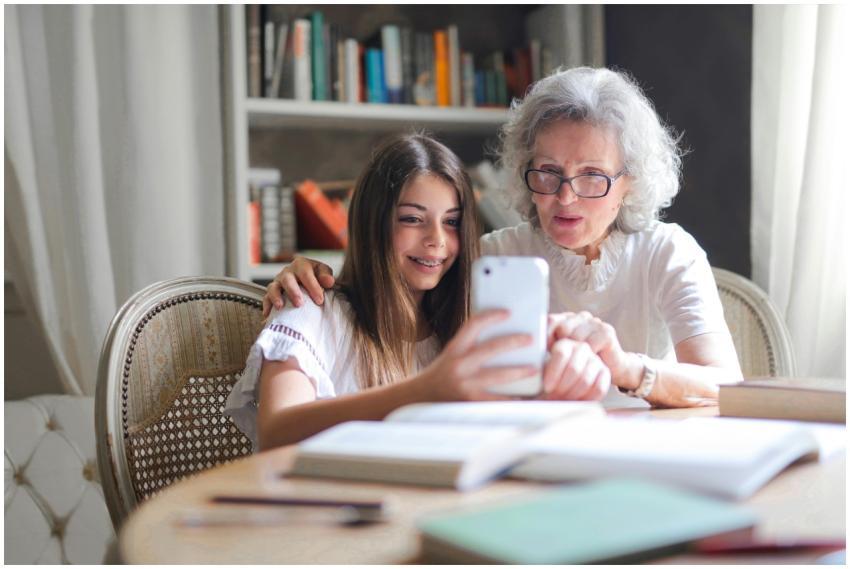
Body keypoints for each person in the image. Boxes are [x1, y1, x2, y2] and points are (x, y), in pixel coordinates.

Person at [263, 67, 743, 409]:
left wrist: (625, 368)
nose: (565, 197)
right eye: (548, 172)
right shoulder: (489, 258)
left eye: (592, 176)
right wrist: (308, 274)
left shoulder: (667, 251)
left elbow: (725, 386)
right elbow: (391, 281)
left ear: (629, 183)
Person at [225, 134, 610, 451]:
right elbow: (276, 432)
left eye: (452, 222)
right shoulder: (310, 308)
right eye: (412, 219)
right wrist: (427, 390)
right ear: (373, 223)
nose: (436, 240)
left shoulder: (465, 326)